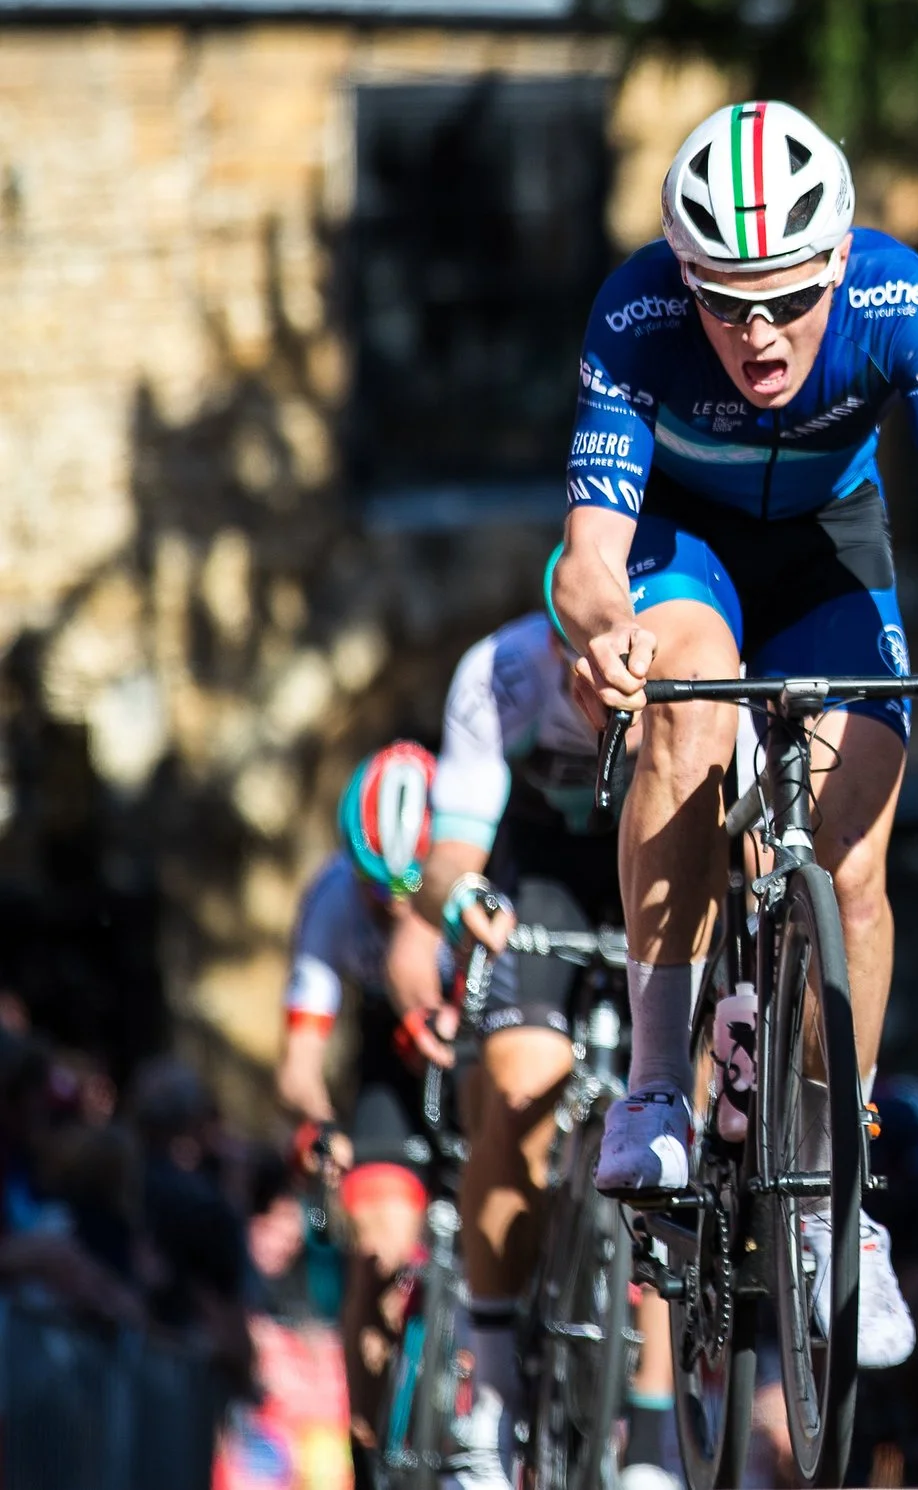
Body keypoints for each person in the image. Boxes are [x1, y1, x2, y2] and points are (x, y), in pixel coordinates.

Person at [553, 99, 918, 1376]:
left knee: (858, 855)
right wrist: (607, 630)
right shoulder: (640, 313)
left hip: (830, 552)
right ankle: (658, 1086)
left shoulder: (903, 302)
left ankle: (842, 1194)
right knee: (689, 700)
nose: (756, 332)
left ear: (836, 265)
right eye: (725, 299)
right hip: (684, 551)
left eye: (781, 297)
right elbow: (592, 557)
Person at [381, 610, 679, 1489]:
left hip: (654, 865)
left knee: (684, 1137)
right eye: (567, 647)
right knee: (519, 1087)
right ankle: (499, 1385)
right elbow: (453, 857)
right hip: (540, 877)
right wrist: (463, 896)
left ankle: (658, 1432)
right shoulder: (500, 668)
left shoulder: (690, 636)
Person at [274, 743, 446, 1458]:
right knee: (377, 1248)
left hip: (471, 1039)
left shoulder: (480, 869)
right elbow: (299, 1064)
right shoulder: (332, 898)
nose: (391, 909)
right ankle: (369, 1448)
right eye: (378, 892)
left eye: (408, 895)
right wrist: (320, 1127)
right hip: (391, 1061)